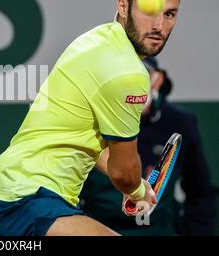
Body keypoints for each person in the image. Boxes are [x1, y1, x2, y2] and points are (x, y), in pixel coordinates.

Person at [0, 0, 182, 236]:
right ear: (123, 7)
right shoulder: (127, 73)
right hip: (30, 198)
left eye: (169, 14)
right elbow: (123, 171)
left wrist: (132, 186)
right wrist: (136, 190)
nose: (159, 25)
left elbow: (89, 142)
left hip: (16, 192)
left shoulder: (94, 41)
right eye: (149, 9)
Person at [80, 57, 217, 236]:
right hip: (98, 228)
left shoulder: (181, 122)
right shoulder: (88, 120)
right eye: (124, 77)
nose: (133, 84)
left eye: (141, 74)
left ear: (157, 79)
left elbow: (200, 194)